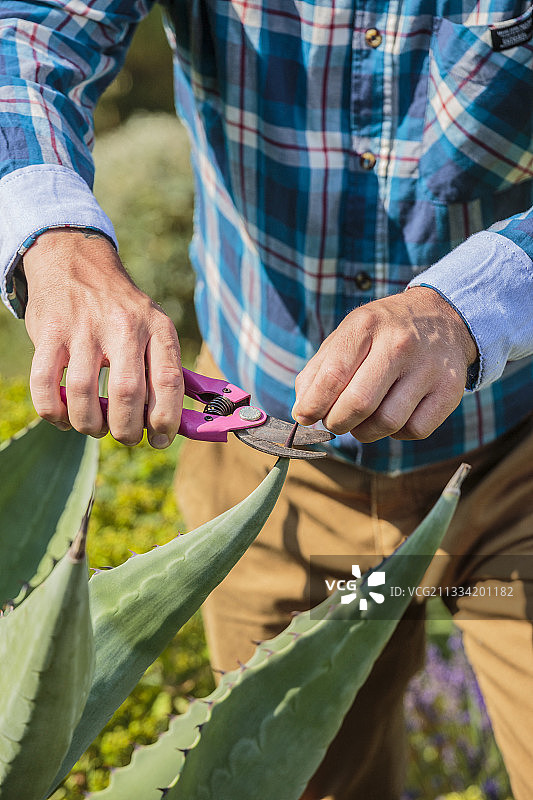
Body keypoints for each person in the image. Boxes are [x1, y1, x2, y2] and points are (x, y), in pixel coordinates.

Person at [1, 1, 532, 798]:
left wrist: (483, 299)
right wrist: (53, 235)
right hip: (273, 482)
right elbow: (32, 26)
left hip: (518, 450)